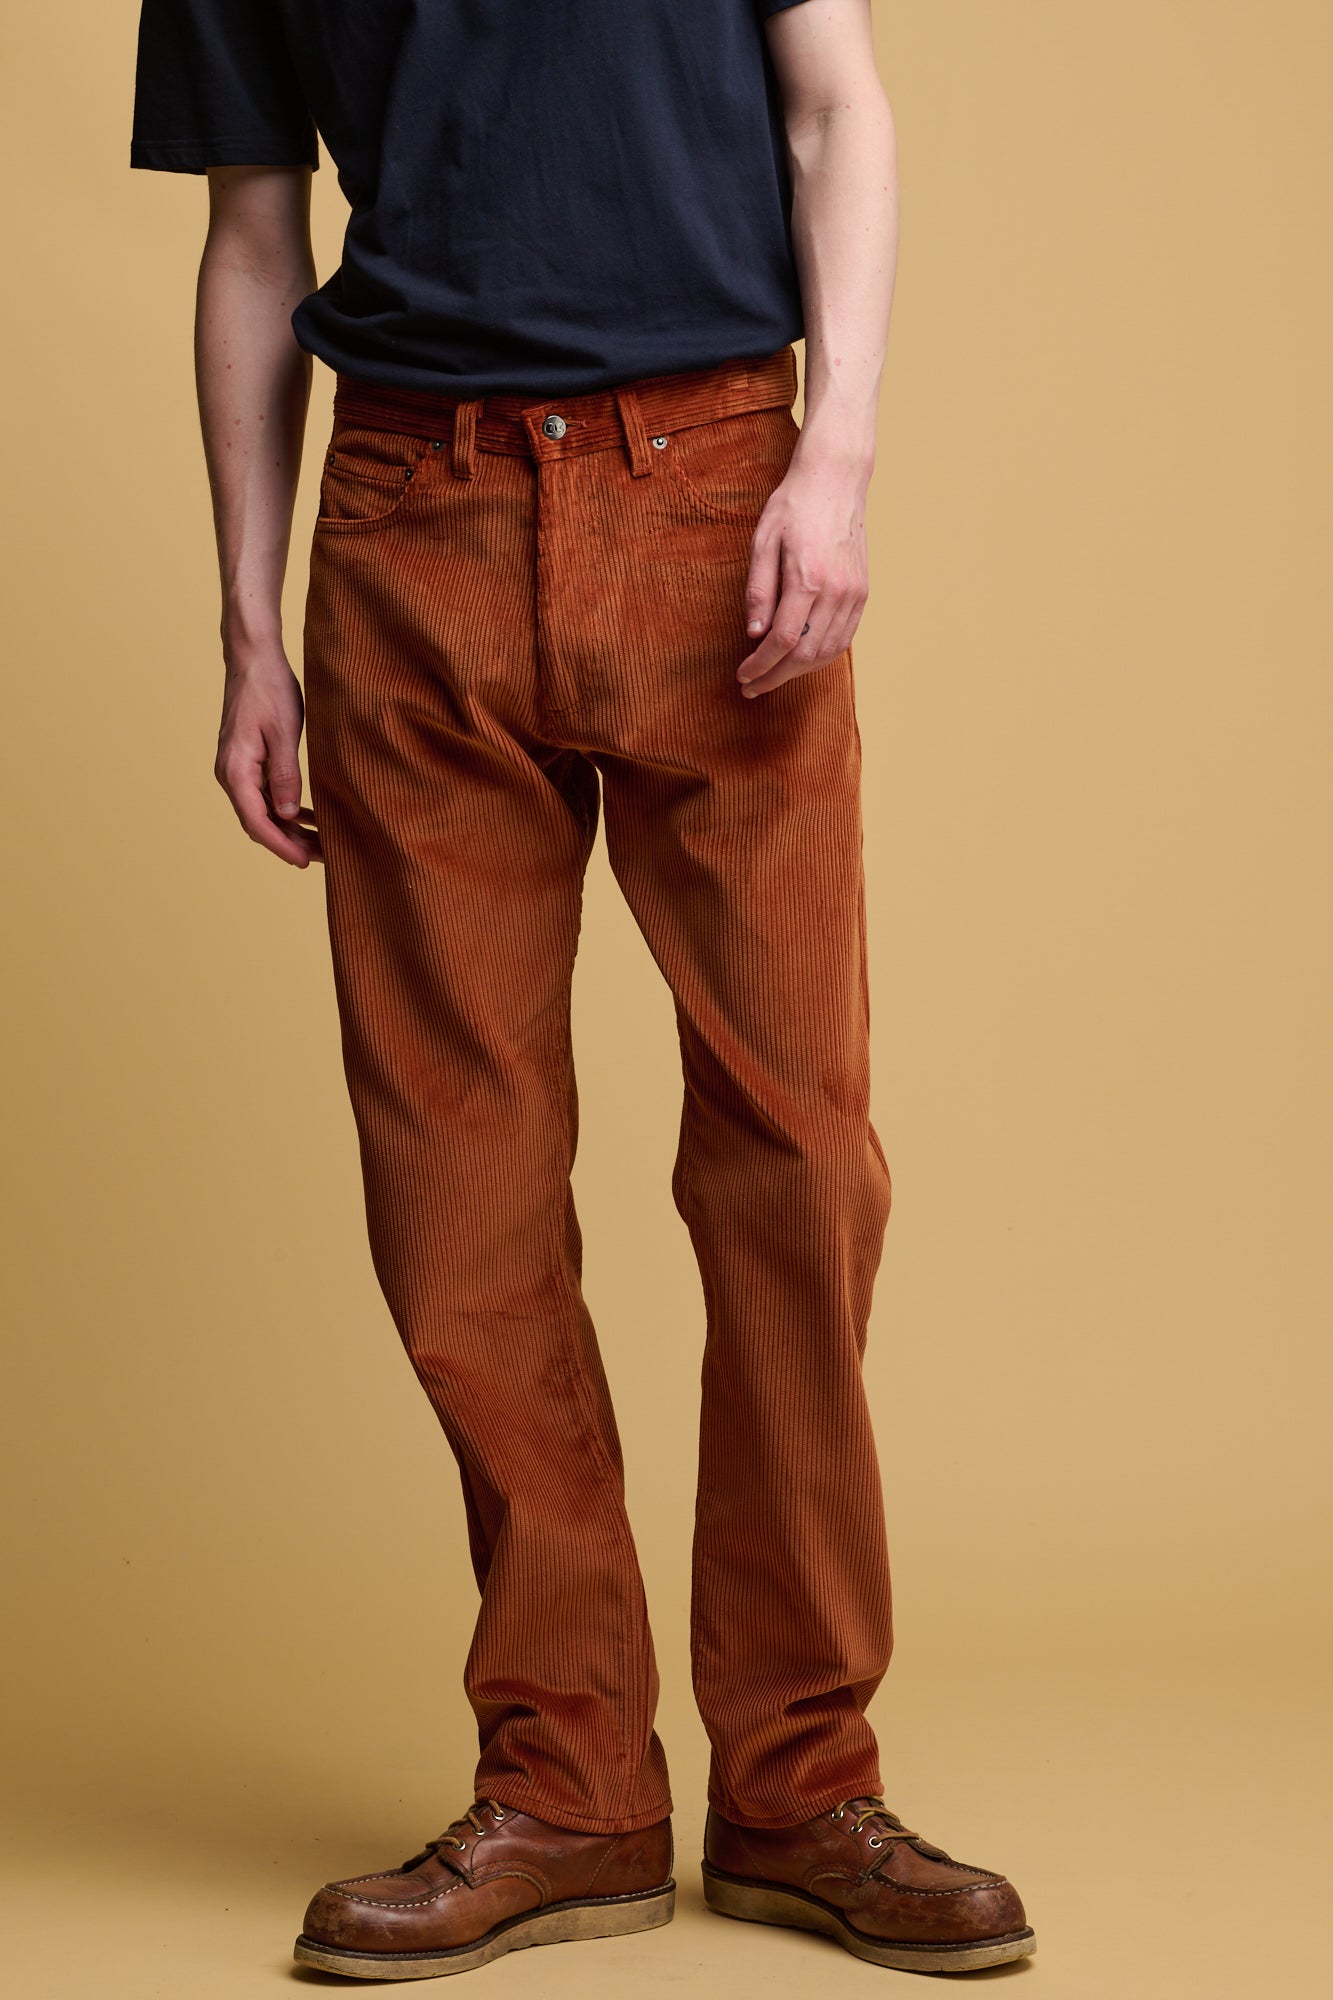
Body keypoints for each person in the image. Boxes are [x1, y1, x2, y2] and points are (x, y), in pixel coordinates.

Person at [131, 0, 1033, 1979]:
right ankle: (566, 1783)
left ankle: (804, 1783)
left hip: (716, 483)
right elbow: (253, 236)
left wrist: (835, 454)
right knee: (457, 1185)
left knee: (797, 1159)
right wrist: (246, 626)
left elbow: (834, 106)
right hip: (409, 520)